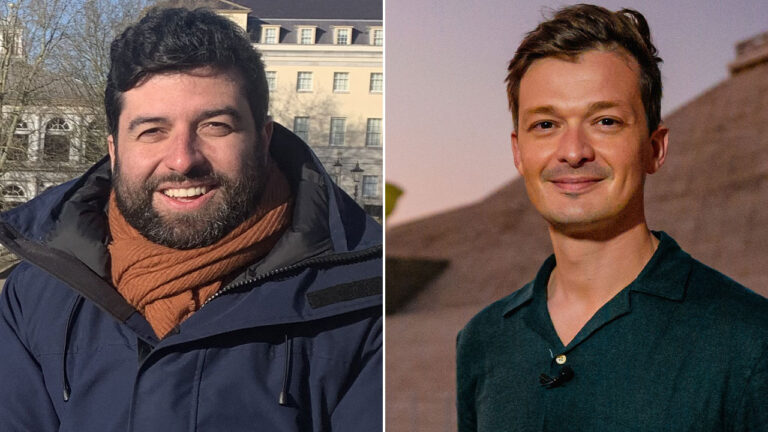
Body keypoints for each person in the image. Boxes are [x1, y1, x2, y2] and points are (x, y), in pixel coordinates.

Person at [0, 7, 381, 431]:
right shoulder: (35, 297)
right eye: (152, 131)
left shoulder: (368, 300)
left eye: (215, 126)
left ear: (264, 139)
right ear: (113, 150)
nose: (183, 160)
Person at [456, 4, 768, 431]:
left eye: (606, 121)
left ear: (655, 148)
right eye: (546, 124)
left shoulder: (751, 339)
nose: (573, 150)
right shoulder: (482, 340)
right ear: (518, 152)